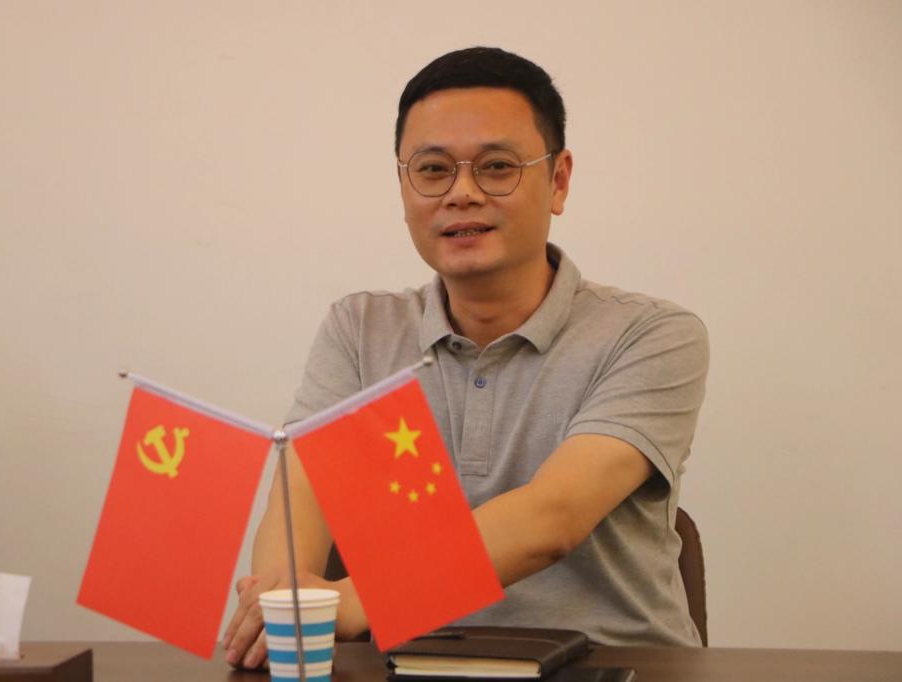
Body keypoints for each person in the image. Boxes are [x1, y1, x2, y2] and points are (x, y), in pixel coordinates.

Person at [222, 46, 709, 667]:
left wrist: (349, 603)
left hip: (613, 665)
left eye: (497, 167)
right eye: (432, 170)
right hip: (410, 667)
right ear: (403, 187)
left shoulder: (652, 334)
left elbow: (552, 518)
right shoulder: (360, 329)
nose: (462, 194)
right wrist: (279, 602)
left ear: (558, 181)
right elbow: (302, 493)